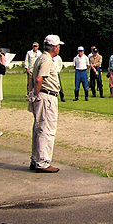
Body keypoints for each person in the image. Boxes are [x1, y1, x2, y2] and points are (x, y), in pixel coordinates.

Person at [29, 34, 64, 172]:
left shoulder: (40, 58)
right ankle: (43, 162)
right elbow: (39, 79)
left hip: (43, 96)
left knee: (38, 129)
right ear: (54, 47)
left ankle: (36, 159)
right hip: (46, 97)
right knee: (46, 129)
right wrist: (37, 94)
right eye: (58, 46)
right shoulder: (46, 60)